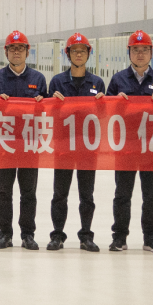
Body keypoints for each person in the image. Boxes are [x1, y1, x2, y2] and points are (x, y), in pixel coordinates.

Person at [106, 30, 153, 253]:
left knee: (151, 195)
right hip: (125, 146)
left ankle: (151, 237)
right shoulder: (118, 80)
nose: (140, 54)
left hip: (151, 147)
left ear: (151, 52)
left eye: (144, 50)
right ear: (129, 52)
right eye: (136, 50)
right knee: (122, 195)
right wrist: (115, 101)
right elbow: (105, 111)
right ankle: (119, 237)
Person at [0, 30, 47, 250]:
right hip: (4, 142)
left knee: (28, 192)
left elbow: (47, 112)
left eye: (20, 48)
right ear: (6, 52)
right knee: (4, 191)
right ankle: (5, 234)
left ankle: (27, 234)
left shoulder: (38, 79)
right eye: (12, 48)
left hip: (30, 142)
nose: (16, 52)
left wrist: (42, 103)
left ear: (27, 52)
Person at [46, 32, 106, 252]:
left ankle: (86, 236)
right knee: (59, 194)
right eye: (74, 51)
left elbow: (104, 116)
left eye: (82, 51)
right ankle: (57, 235)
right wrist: (53, 102)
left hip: (88, 147)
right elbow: (48, 113)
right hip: (63, 146)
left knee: (87, 195)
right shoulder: (57, 82)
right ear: (68, 54)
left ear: (89, 54)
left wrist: (103, 104)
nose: (78, 54)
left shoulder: (97, 83)